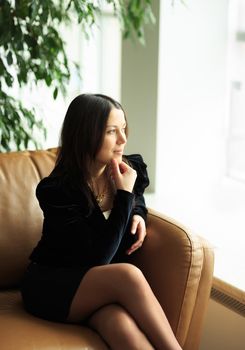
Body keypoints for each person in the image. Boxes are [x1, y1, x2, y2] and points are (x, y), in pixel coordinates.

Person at [21, 93, 182, 350]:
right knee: (128, 275)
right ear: (87, 134)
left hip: (97, 291)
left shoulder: (127, 169)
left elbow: (138, 195)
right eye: (111, 131)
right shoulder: (57, 191)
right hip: (53, 285)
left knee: (122, 328)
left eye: (123, 129)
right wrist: (124, 196)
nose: (123, 139)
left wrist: (138, 212)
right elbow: (99, 260)